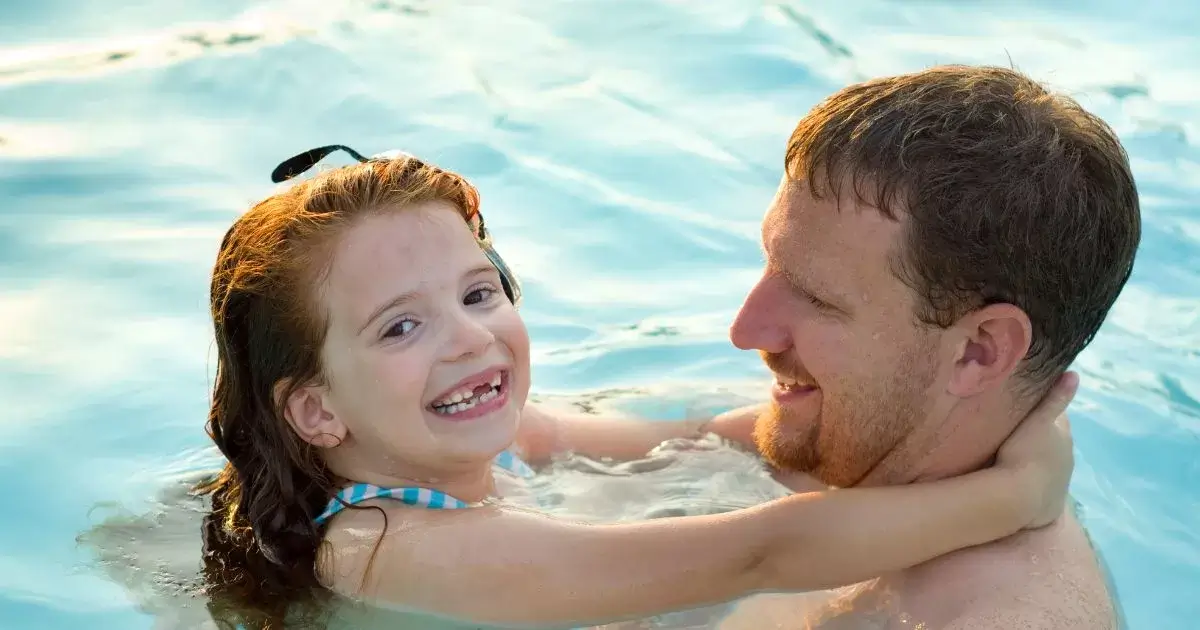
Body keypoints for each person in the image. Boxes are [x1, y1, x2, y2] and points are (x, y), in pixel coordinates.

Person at [197, 144, 1077, 630]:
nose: (471, 337)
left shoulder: (508, 439)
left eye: (478, 293)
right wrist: (1015, 494)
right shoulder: (381, 545)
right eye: (401, 326)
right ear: (315, 408)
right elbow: (757, 551)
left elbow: (705, 436)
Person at [689, 65, 1138, 629]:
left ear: (980, 351)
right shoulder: (843, 442)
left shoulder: (1006, 616)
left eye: (815, 298)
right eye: (771, 262)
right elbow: (546, 444)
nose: (745, 330)